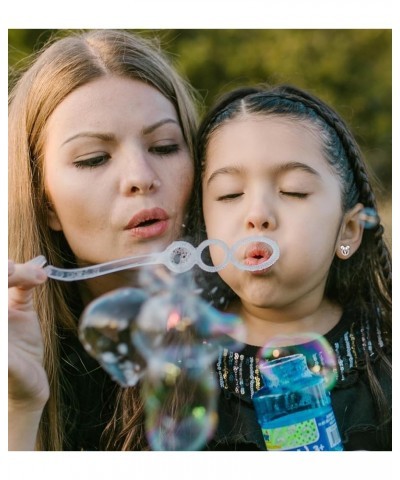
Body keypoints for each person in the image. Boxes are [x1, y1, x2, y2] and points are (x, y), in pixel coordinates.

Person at [8, 29, 199, 451]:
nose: (141, 177)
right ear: (45, 205)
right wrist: (20, 410)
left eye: (165, 147)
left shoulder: (262, 329)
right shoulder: (20, 354)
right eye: (94, 158)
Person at [188, 84, 392, 450]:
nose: (257, 216)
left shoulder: (388, 351)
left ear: (348, 229)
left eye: (293, 190)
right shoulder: (181, 365)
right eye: (230, 194)